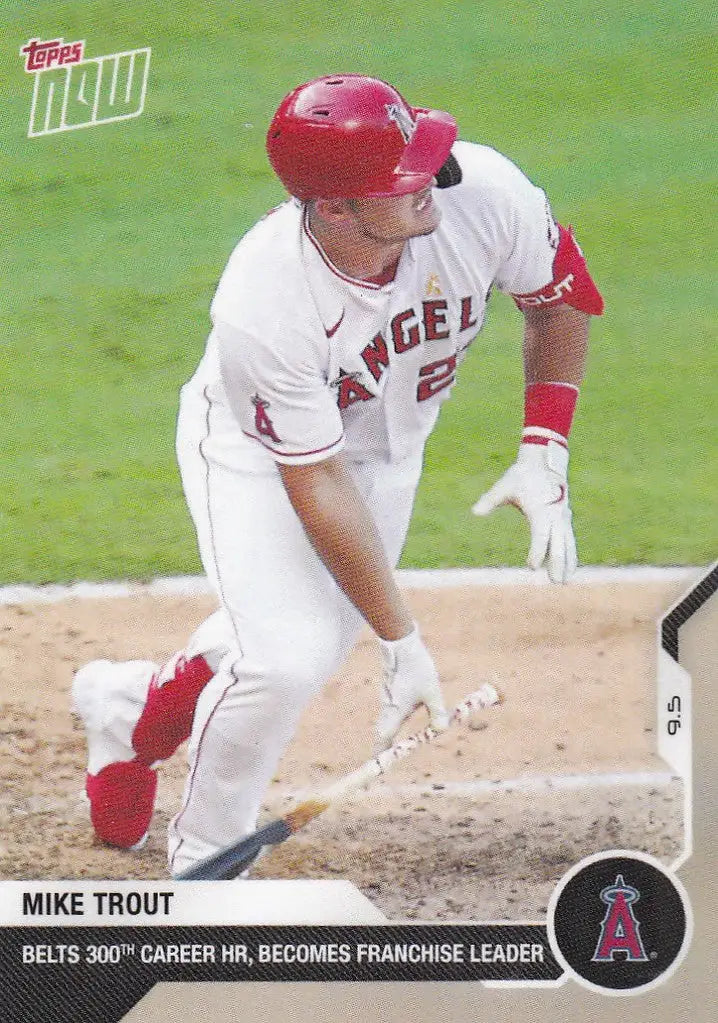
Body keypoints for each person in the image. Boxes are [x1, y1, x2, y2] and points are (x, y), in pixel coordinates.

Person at [72, 74, 604, 876]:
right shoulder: (266, 299)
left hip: (388, 450)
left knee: (303, 640)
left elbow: (560, 300)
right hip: (257, 452)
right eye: (400, 177)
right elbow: (315, 481)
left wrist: (545, 449)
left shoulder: (480, 192)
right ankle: (207, 863)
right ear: (334, 209)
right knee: (286, 655)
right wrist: (404, 638)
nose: (431, 178)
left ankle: (129, 711)